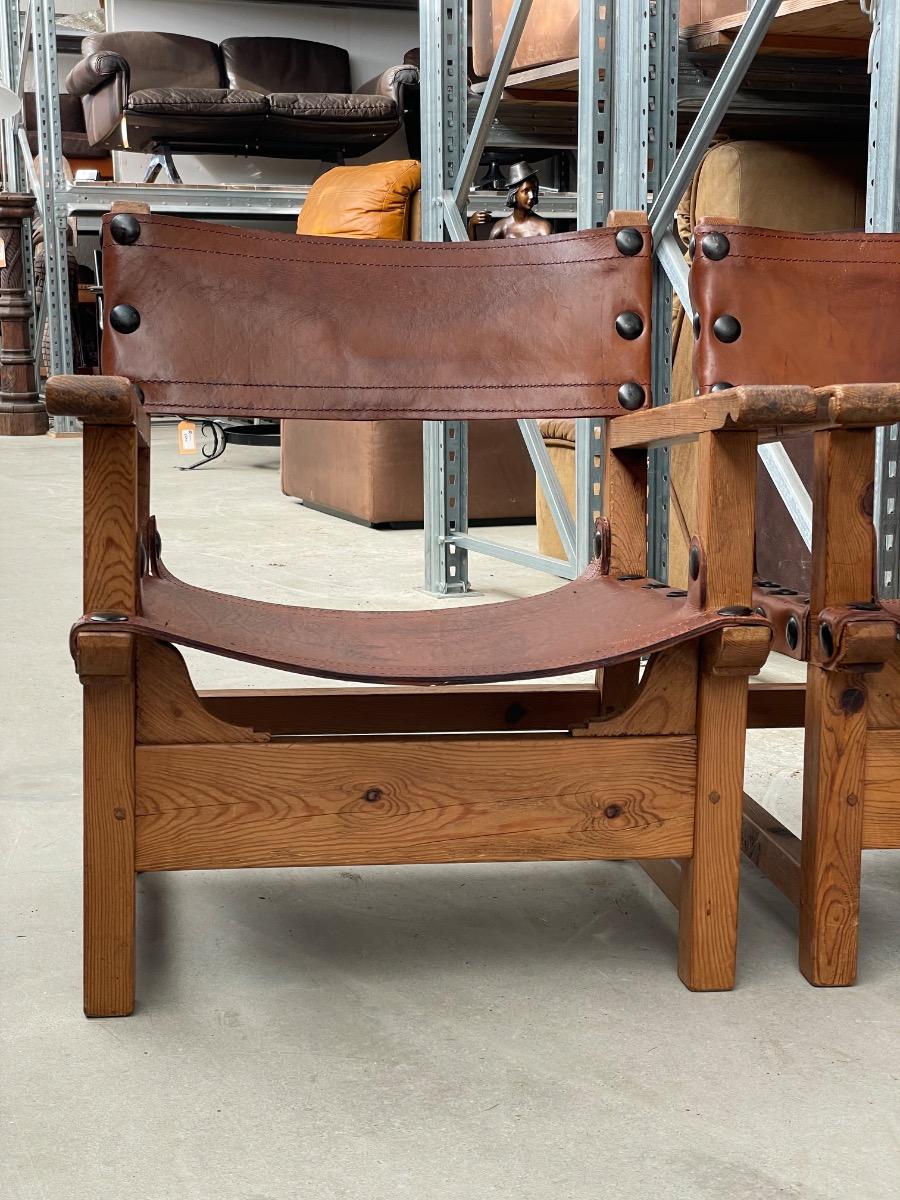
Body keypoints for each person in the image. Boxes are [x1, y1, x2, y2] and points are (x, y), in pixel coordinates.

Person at [467, 161, 552, 240]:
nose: (532, 196)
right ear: (514, 194)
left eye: (534, 190)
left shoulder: (544, 228)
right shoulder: (501, 227)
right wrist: (471, 225)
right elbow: (478, 255)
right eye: (525, 191)